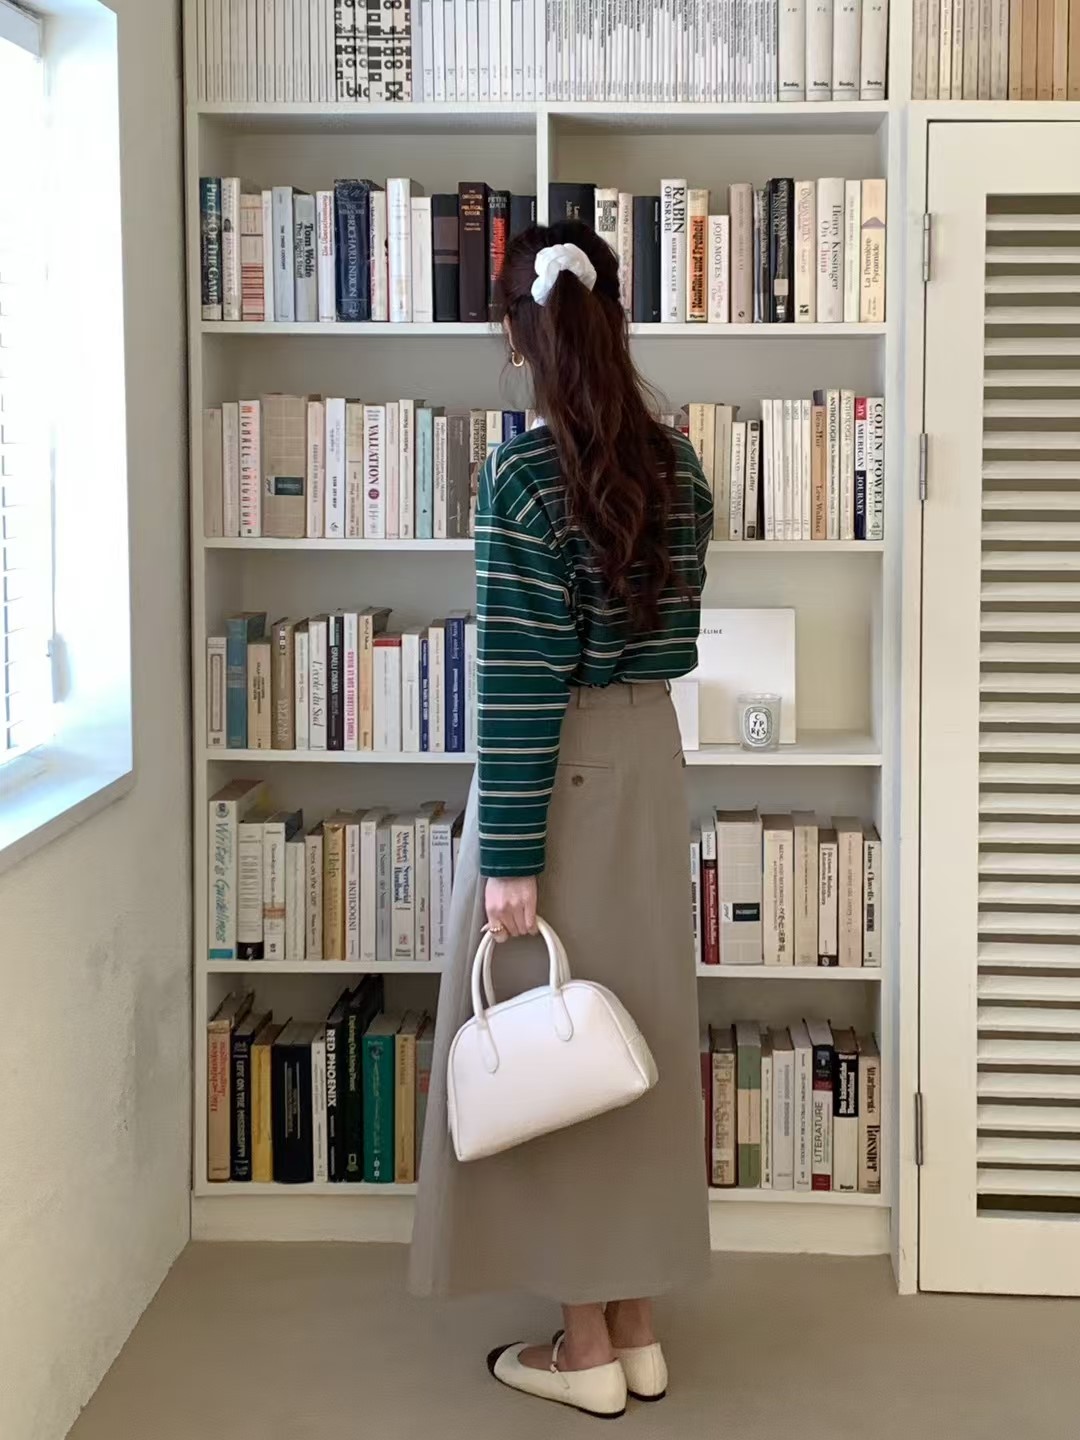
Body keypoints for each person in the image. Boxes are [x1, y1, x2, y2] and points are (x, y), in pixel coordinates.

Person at [409, 219, 713, 1419]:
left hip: (563, 774)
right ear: (616, 318)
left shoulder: (522, 478)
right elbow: (672, 638)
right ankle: (636, 1326)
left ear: (519, 333)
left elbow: (523, 678)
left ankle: (583, 1345)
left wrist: (510, 859)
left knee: (554, 1041)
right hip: (651, 764)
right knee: (632, 1038)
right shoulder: (683, 468)